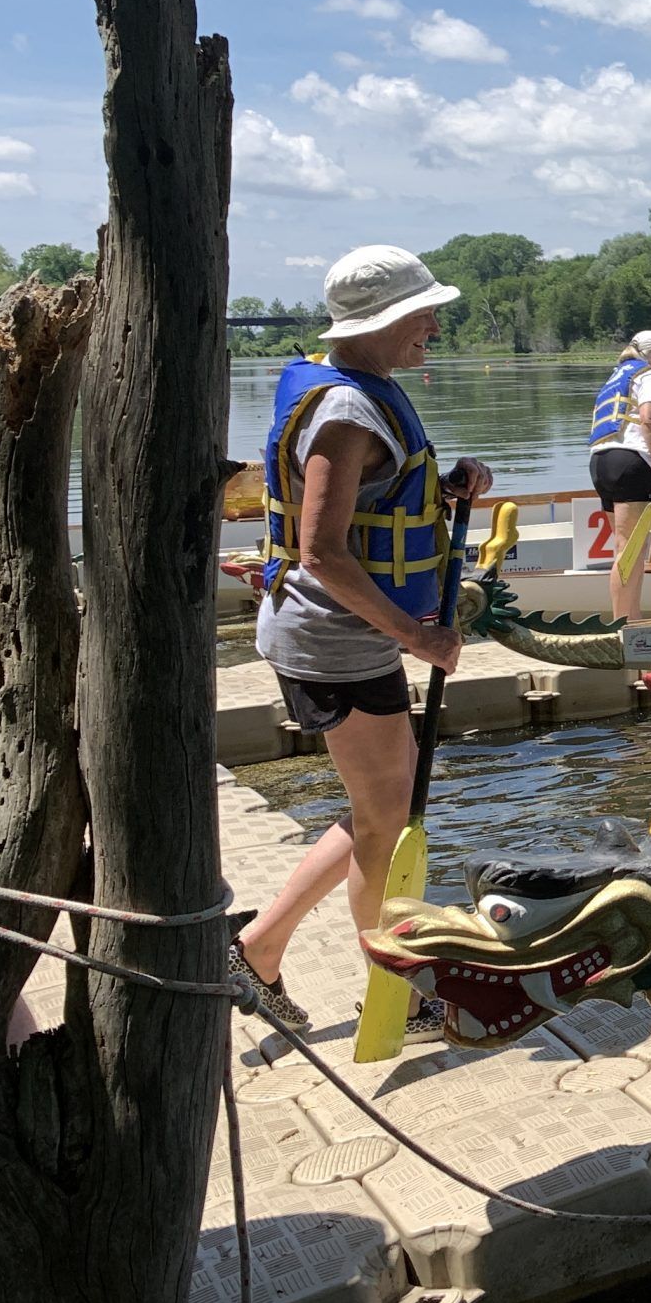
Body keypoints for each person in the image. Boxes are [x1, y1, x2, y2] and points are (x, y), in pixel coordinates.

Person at [228, 245, 494, 1033]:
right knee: (386, 817)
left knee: (385, 806)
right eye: (424, 314)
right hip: (332, 640)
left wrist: (449, 486)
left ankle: (259, 949)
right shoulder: (345, 412)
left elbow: (379, 501)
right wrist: (418, 636)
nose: (434, 327)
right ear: (382, 321)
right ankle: (391, 992)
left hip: (345, 637)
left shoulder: (357, 388)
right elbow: (322, 551)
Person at [588, 327, 651, 623]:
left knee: (626, 547)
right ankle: (624, 625)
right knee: (630, 550)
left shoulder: (616, 377)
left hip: (601, 462)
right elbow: (649, 420)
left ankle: (632, 619)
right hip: (632, 463)